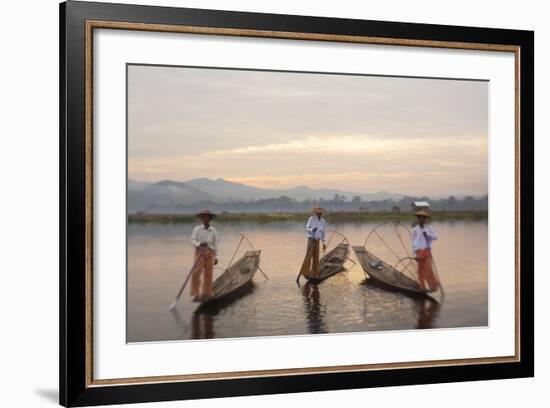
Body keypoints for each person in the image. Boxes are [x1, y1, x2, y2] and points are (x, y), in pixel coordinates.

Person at [189, 210, 219, 302]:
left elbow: (216, 244)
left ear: (210, 219)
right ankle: (196, 294)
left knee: (208, 274)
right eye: (203, 217)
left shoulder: (213, 230)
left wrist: (216, 257)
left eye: (207, 217)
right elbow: (192, 240)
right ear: (201, 219)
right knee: (196, 272)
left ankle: (207, 293)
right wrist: (199, 244)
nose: (205, 219)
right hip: (199, 252)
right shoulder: (197, 229)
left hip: (210, 253)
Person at [412, 209, 438, 291]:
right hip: (419, 252)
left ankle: (433, 287)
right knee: (420, 271)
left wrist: (428, 235)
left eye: (423, 218)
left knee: (428, 269)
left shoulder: (429, 228)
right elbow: (413, 242)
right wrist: (414, 254)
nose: (421, 220)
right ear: (418, 219)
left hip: (427, 251)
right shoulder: (415, 230)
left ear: (425, 219)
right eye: (420, 218)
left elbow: (435, 237)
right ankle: (422, 287)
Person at [299, 207, 327, 279]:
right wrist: (312, 229)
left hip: (318, 241)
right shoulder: (311, 219)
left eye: (320, 213)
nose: (319, 214)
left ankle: (315, 273)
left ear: (322, 214)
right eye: (318, 213)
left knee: (316, 257)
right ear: (316, 213)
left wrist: (323, 242)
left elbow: (323, 233)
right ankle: (306, 272)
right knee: (308, 256)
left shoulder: (323, 221)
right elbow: (306, 228)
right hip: (311, 240)